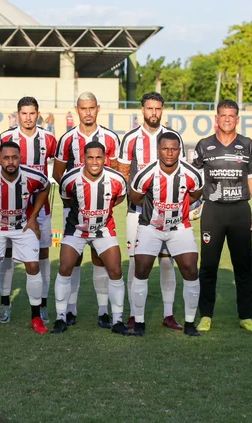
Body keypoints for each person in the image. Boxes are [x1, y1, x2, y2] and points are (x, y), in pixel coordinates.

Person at [192, 99, 252, 332]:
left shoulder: (247, 144)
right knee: (208, 265)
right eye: (223, 115)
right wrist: (192, 203)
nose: (227, 119)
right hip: (213, 211)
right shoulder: (204, 145)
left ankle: (246, 316)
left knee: (242, 265)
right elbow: (194, 179)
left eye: (231, 116)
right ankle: (205, 315)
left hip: (240, 211)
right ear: (216, 118)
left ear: (237, 119)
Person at [117, 92, 186, 330]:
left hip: (168, 214)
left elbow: (182, 172)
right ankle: (135, 315)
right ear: (142, 110)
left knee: (167, 263)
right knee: (137, 263)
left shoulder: (173, 136)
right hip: (138, 213)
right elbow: (124, 173)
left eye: (157, 109)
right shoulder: (130, 138)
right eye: (149, 108)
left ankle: (168, 315)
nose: (153, 113)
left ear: (162, 110)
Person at [53, 92, 120, 327]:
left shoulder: (111, 138)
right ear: (77, 110)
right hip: (75, 211)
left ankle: (103, 311)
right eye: (83, 108)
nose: (88, 112)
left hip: (102, 213)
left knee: (100, 259)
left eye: (91, 107)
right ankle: (69, 310)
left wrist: (104, 201)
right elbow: (58, 174)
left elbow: (119, 173)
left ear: (98, 108)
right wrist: (75, 200)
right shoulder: (67, 139)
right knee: (73, 260)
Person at [129, 132, 204, 336]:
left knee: (190, 269)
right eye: (165, 149)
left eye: (174, 149)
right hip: (150, 227)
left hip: (179, 227)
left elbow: (196, 193)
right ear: (158, 150)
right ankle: (140, 323)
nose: (169, 153)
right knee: (142, 268)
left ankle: (189, 324)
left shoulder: (191, 173)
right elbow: (135, 197)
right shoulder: (146, 173)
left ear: (179, 150)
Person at [0, 142, 51, 335]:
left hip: (22, 226)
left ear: (20, 158)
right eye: (6, 158)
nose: (10, 162)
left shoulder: (33, 176)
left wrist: (33, 218)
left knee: (33, 266)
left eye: (14, 157)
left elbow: (45, 187)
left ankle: (36, 318)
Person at [52, 142, 129, 335]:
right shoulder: (70, 179)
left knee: (115, 270)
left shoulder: (117, 179)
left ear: (105, 159)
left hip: (103, 229)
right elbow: (67, 200)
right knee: (65, 268)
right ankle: (61, 316)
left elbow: (118, 199)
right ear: (83, 159)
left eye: (98, 157)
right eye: (90, 157)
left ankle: (115, 318)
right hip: (76, 229)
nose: (94, 162)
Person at [0, 97, 57, 323]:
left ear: (38, 114)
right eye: (24, 113)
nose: (28, 118)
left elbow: (57, 168)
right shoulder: (7, 138)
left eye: (32, 113)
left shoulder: (49, 139)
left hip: (41, 209)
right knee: (8, 255)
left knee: (43, 255)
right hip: (11, 208)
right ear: (18, 114)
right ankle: (5, 303)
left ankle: (42, 304)